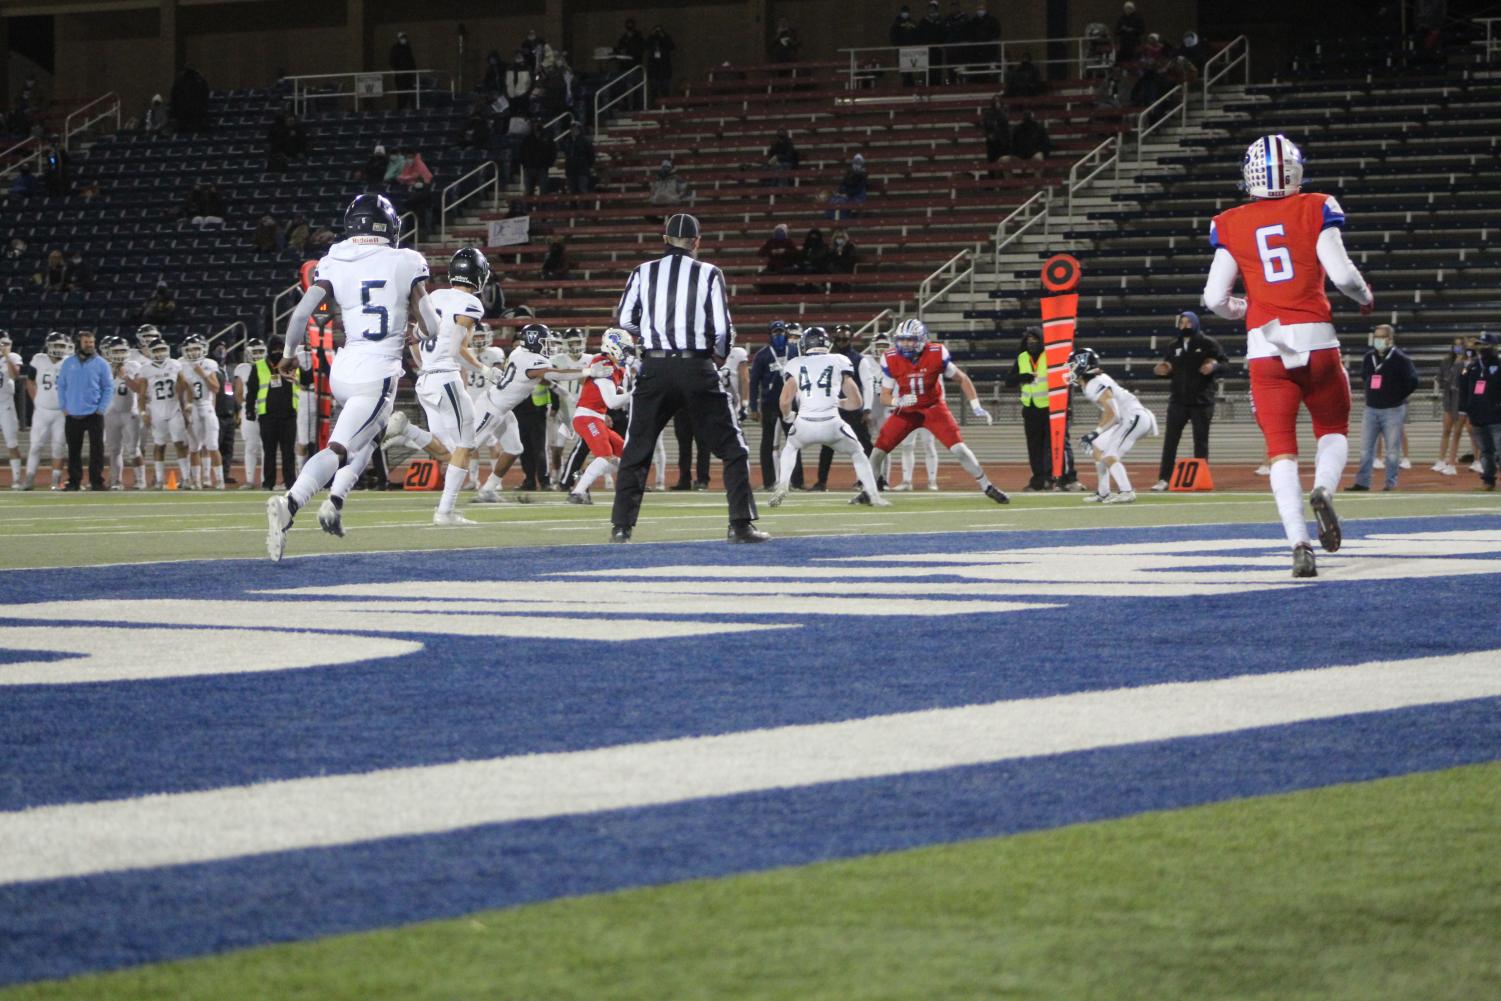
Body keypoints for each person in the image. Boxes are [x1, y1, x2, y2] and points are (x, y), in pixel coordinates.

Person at [1201, 134, 1375, 578]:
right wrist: (1365, 297)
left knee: (1280, 451)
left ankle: (1298, 543)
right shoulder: (1315, 206)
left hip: (1265, 346)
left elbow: (1213, 298)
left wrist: (1246, 309)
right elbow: (1342, 275)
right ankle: (1323, 488)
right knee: (1333, 428)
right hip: (1317, 339)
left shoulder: (1230, 221)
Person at [264, 194, 440, 560]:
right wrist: (418, 335)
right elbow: (433, 324)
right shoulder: (405, 261)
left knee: (369, 437)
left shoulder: (334, 258)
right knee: (339, 448)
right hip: (377, 372)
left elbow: (300, 317)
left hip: (345, 367)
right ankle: (291, 502)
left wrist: (287, 356)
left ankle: (336, 500)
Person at [610, 212, 765, 543]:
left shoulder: (642, 271)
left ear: (665, 239)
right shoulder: (709, 272)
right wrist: (717, 355)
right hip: (696, 366)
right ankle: (740, 524)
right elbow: (722, 327)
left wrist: (651, 338)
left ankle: (622, 527)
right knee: (733, 447)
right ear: (697, 241)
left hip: (654, 367)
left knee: (636, 447)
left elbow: (624, 320)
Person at [385, 247, 494, 524]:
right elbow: (457, 348)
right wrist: (483, 368)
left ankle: (407, 429)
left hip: (426, 378)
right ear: (479, 276)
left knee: (449, 450)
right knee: (466, 445)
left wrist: (426, 366)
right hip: (446, 377)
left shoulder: (434, 296)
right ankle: (445, 513)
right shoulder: (471, 304)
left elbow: (416, 341)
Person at [866, 319, 1006, 505]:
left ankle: (987, 486)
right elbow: (884, 396)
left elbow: (962, 379)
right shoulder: (890, 357)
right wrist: (897, 401)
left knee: (960, 450)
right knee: (877, 452)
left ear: (922, 339)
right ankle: (868, 492)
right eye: (902, 340)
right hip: (907, 410)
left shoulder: (936, 353)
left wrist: (976, 406)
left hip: (933, 408)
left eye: (910, 340)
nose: (905, 344)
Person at [769, 327, 884, 507]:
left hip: (805, 423)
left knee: (790, 447)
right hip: (832, 423)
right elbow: (856, 401)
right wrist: (837, 403)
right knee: (857, 452)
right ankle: (873, 494)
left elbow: (784, 401)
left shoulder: (795, 363)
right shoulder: (839, 360)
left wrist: (788, 416)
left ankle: (783, 484)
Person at [472, 323, 580, 499]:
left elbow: (536, 376)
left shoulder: (519, 353)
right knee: (467, 447)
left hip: (503, 409)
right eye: (545, 342)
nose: (549, 346)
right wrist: (589, 371)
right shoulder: (531, 360)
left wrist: (556, 388)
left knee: (514, 449)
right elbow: (557, 373)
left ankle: (487, 490)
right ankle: (448, 496)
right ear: (533, 341)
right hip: (491, 407)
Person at [1151, 310, 1228, 490]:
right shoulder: (1173, 346)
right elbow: (1169, 368)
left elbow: (1226, 364)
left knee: (1200, 441)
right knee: (1170, 441)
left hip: (1202, 401)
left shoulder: (1208, 343)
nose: (1185, 326)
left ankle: (1199, 479)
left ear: (1195, 323)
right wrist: (1162, 371)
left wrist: (1213, 366)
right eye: (1182, 323)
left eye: (1188, 322)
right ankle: (1164, 479)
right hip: (1178, 400)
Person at [1070, 348, 1158, 504]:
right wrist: (1096, 436)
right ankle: (1103, 492)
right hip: (1128, 418)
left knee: (1110, 454)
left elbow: (1113, 413)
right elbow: (1114, 414)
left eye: (1073, 365)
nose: (1070, 369)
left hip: (1133, 417)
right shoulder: (1094, 381)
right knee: (1098, 447)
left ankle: (1127, 492)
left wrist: (1095, 432)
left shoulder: (1094, 384)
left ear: (1082, 365)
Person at [567, 329, 636, 503]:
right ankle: (578, 492)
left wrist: (627, 392)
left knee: (626, 455)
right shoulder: (604, 364)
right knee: (606, 457)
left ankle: (582, 476)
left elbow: (612, 396)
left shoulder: (614, 367)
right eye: (625, 349)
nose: (627, 353)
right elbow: (612, 402)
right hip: (587, 417)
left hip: (596, 417)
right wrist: (636, 393)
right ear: (614, 347)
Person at [1349, 324, 1419, 492]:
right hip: (1371, 408)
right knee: (1366, 449)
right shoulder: (1369, 357)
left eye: (1381, 337)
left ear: (1390, 339)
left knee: (1392, 451)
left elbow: (1413, 381)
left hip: (1392, 410)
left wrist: (1397, 396)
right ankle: (1362, 483)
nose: (1377, 340)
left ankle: (1390, 483)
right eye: (1376, 336)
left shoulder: (1401, 359)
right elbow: (1364, 376)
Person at [54, 329, 113, 491]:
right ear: (78, 343)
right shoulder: (68, 363)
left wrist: (101, 408)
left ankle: (96, 481)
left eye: (92, 342)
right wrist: (63, 406)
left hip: (94, 413)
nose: (90, 345)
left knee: (97, 450)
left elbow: (109, 387)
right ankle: (74, 481)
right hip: (72, 413)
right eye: (86, 342)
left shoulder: (101, 363)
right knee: (73, 450)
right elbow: (61, 386)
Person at [749, 320, 802, 489]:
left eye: (781, 332)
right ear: (770, 335)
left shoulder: (794, 352)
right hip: (770, 403)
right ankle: (769, 481)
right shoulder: (762, 355)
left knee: (794, 440)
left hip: (790, 402)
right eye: (775, 332)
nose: (778, 335)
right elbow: (753, 382)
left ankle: (796, 481)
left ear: (785, 334)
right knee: (767, 442)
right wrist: (753, 406)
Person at [136, 336, 194, 489]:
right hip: (156, 411)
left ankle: (186, 478)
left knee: (180, 444)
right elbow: (141, 395)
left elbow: (186, 386)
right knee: (159, 445)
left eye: (162, 349)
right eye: (157, 350)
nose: (160, 352)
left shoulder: (175, 365)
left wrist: (187, 406)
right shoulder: (145, 369)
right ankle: (160, 480)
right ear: (151, 351)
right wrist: (143, 413)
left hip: (174, 409)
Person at [21, 332, 70, 490]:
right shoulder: (39, 359)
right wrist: (36, 400)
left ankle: (55, 481)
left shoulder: (69, 362)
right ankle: (29, 479)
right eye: (55, 345)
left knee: (58, 447)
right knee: (35, 446)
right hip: (42, 411)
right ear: (48, 346)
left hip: (61, 412)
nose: (58, 349)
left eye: (62, 346)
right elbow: (29, 381)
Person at [1005, 327, 1051, 490]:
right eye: (1029, 341)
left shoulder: (1049, 356)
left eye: (1035, 341)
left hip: (1049, 407)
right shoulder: (1022, 357)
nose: (1031, 344)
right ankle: (1038, 480)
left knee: (1049, 446)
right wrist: (1023, 377)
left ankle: (1051, 478)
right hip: (1030, 409)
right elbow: (1008, 381)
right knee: (1034, 447)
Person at [176, 334, 225, 489]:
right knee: (194, 446)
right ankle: (196, 480)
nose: (193, 352)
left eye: (196, 348)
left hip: (206, 406)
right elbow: (179, 390)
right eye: (189, 349)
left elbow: (216, 388)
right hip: (191, 409)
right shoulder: (180, 364)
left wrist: (201, 373)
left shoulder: (209, 364)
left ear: (203, 348)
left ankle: (219, 480)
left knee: (212, 445)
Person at [97, 336, 145, 490]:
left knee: (133, 449)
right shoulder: (103, 366)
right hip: (110, 413)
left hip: (130, 412)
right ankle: (116, 481)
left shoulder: (134, 365)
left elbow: (139, 389)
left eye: (122, 350)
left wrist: (124, 376)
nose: (119, 354)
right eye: (115, 350)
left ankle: (140, 480)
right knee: (114, 449)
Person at [1461, 333, 1500, 491]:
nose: (1481, 348)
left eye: (1484, 345)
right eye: (1479, 345)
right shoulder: (1472, 366)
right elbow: (1464, 388)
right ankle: (1488, 480)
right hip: (1478, 416)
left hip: (1497, 416)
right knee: (1485, 452)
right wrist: (1468, 409)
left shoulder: (1499, 364)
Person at [232, 339, 266, 489]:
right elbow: (238, 393)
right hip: (250, 410)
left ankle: (266, 479)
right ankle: (250, 480)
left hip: (267, 409)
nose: (258, 355)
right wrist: (245, 407)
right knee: (251, 446)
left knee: (266, 447)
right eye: (255, 352)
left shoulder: (270, 365)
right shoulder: (242, 368)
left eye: (260, 351)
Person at [1434, 337, 1470, 476]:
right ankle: (1441, 460)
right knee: (1446, 430)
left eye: (1460, 345)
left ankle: (1475, 461)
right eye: (1455, 345)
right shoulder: (1446, 361)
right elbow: (1440, 378)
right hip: (1449, 399)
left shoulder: (1467, 363)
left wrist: (1460, 364)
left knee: (1463, 432)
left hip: (1461, 400)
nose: (1457, 348)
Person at [0, 332, 23, 487]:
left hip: (5, 403)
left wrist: (6, 356)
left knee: (12, 442)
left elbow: (15, 375)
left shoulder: (13, 357)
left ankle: (16, 479)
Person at [519, 121, 556, 197]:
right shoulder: (527, 138)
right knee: (529, 191)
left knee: (543, 191)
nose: (536, 126)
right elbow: (522, 152)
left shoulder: (548, 138)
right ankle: (528, 208)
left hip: (542, 168)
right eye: (535, 124)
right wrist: (524, 164)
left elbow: (553, 152)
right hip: (529, 168)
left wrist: (548, 164)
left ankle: (542, 207)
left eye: (538, 124)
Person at [560, 121, 595, 194]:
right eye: (572, 128)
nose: (573, 130)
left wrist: (586, 165)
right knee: (572, 191)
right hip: (570, 169)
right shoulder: (567, 140)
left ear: (579, 129)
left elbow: (591, 155)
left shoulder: (585, 141)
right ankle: (573, 205)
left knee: (582, 190)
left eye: (575, 128)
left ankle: (585, 205)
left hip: (582, 169)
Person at [390, 32, 417, 109]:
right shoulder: (395, 48)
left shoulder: (408, 47)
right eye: (402, 38)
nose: (404, 39)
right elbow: (392, 60)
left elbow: (411, 60)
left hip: (409, 74)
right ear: (399, 39)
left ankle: (412, 108)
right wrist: (396, 70)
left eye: (405, 37)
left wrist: (414, 70)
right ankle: (400, 108)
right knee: (401, 92)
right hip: (400, 75)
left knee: (409, 92)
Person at [981, 97, 1011, 166]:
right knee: (992, 161)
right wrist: (988, 135)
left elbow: (1006, 123)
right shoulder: (988, 113)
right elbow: (985, 126)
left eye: (998, 101)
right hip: (992, 141)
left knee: (1003, 161)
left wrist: (999, 110)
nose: (997, 103)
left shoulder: (1005, 111)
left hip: (1003, 141)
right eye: (995, 101)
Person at [646, 26, 675, 96]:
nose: (657, 33)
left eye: (659, 31)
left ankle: (666, 106)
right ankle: (654, 106)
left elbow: (672, 46)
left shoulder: (666, 39)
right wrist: (651, 35)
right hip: (654, 71)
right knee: (654, 93)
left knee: (665, 92)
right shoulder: (651, 40)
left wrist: (664, 36)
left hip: (665, 71)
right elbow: (645, 45)